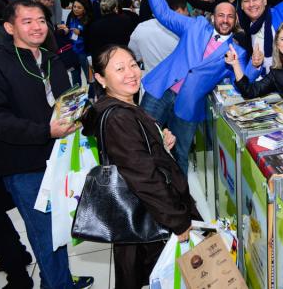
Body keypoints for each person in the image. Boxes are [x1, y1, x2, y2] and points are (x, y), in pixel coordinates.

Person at [81, 45, 198, 289]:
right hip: (150, 222)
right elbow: (144, 177)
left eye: (133, 65)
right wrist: (178, 221)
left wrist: (157, 139)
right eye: (120, 69)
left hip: (146, 216)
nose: (131, 73)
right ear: (101, 79)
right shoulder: (119, 117)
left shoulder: (123, 107)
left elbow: (136, 153)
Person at [0, 0, 93, 288]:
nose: (37, 26)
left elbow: (66, 101)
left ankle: (61, 279)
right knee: (45, 235)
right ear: (9, 27)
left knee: (59, 229)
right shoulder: (0, 63)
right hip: (24, 163)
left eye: (40, 20)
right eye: (27, 21)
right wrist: (45, 132)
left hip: (59, 158)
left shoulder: (52, 59)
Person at [140, 0, 262, 174]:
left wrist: (255, 65)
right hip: (160, 90)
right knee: (142, 141)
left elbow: (242, 84)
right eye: (220, 15)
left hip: (188, 105)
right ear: (213, 18)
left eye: (229, 16)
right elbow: (164, 14)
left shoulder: (238, 52)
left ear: (235, 20)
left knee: (180, 154)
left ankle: (180, 201)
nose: (225, 20)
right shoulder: (195, 25)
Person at [129, 0, 186, 75]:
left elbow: (133, 55)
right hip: (180, 80)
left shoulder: (141, 28)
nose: (187, 14)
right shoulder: (184, 31)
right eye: (186, 10)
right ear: (180, 11)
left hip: (151, 81)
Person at [57, 0, 92, 86]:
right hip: (71, 51)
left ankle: (92, 96)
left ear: (84, 9)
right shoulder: (70, 15)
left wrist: (80, 33)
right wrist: (66, 29)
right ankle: (77, 97)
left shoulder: (89, 19)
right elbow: (69, 28)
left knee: (90, 77)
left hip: (84, 52)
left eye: (79, 7)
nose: (76, 9)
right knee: (75, 76)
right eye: (74, 6)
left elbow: (92, 36)